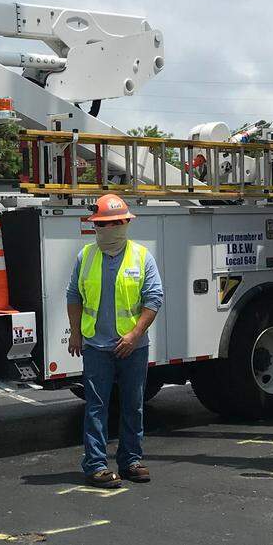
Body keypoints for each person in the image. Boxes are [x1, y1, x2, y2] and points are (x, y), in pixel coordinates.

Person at [66, 194, 163, 488]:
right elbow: (74, 295)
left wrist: (134, 335)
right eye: (102, 224)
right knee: (97, 406)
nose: (107, 229)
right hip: (97, 346)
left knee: (133, 405)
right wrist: (75, 332)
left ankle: (130, 460)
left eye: (113, 223)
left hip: (132, 347)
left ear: (125, 224)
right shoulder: (86, 256)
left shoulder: (142, 256)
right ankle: (95, 465)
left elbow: (154, 298)